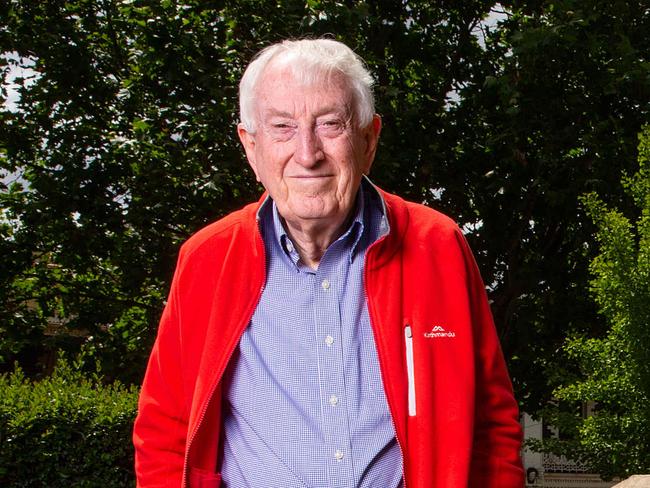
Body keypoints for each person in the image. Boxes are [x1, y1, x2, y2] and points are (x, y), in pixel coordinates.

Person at [133, 38, 524, 488]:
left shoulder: (437, 245)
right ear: (250, 146)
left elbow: (494, 426)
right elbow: (164, 430)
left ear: (368, 138)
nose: (307, 153)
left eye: (330, 125)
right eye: (282, 127)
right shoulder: (207, 259)